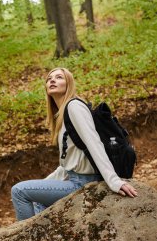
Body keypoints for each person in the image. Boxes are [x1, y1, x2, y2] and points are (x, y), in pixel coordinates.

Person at [11, 67, 138, 221]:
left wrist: (114, 181)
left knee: (18, 191)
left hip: (82, 182)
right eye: (49, 79)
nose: (52, 80)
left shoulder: (74, 106)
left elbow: (94, 143)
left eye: (59, 77)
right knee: (37, 204)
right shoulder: (62, 115)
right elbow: (66, 166)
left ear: (68, 83)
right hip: (73, 179)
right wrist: (43, 184)